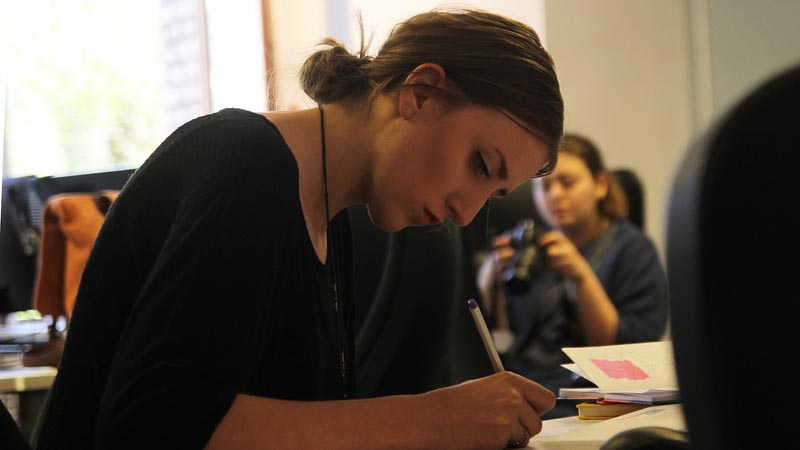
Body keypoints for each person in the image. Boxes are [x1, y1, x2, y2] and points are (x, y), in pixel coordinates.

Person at [36, 7, 564, 450]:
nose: (466, 214)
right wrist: (432, 419)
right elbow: (154, 424)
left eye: (493, 194)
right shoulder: (244, 165)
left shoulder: (332, 220)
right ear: (420, 93)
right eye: (479, 165)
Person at [476, 133, 668, 419]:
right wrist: (489, 283)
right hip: (528, 390)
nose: (555, 195)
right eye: (544, 187)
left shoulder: (633, 250)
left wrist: (581, 276)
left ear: (600, 185)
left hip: (594, 399)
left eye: (567, 183)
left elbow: (628, 353)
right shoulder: (533, 249)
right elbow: (508, 341)